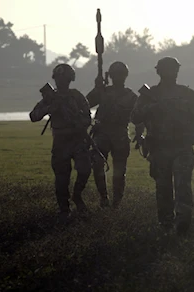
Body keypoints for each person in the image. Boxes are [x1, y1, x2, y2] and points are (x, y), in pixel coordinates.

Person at [130, 57, 194, 235]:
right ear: (159, 72)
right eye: (168, 69)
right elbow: (135, 117)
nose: (172, 73)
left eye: (174, 69)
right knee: (163, 187)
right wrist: (149, 108)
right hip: (159, 147)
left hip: (182, 147)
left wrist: (193, 134)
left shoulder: (187, 94)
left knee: (182, 185)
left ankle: (182, 221)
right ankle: (165, 223)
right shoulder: (149, 95)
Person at [29, 64, 93, 223]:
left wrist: (80, 124)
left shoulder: (77, 96)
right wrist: (50, 107)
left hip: (78, 140)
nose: (61, 82)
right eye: (58, 79)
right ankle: (64, 210)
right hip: (61, 142)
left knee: (85, 170)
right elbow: (33, 116)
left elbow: (87, 117)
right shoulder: (50, 98)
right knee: (61, 179)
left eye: (64, 79)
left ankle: (77, 196)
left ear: (70, 80)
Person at [86, 61, 143, 209]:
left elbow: (139, 117)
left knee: (119, 170)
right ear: (110, 76)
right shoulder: (103, 91)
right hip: (101, 133)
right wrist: (96, 88)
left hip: (120, 135)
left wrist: (139, 134)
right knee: (97, 164)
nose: (118, 77)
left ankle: (116, 202)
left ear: (125, 76)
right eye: (115, 75)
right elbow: (86, 104)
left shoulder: (131, 96)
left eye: (120, 75)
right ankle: (104, 197)